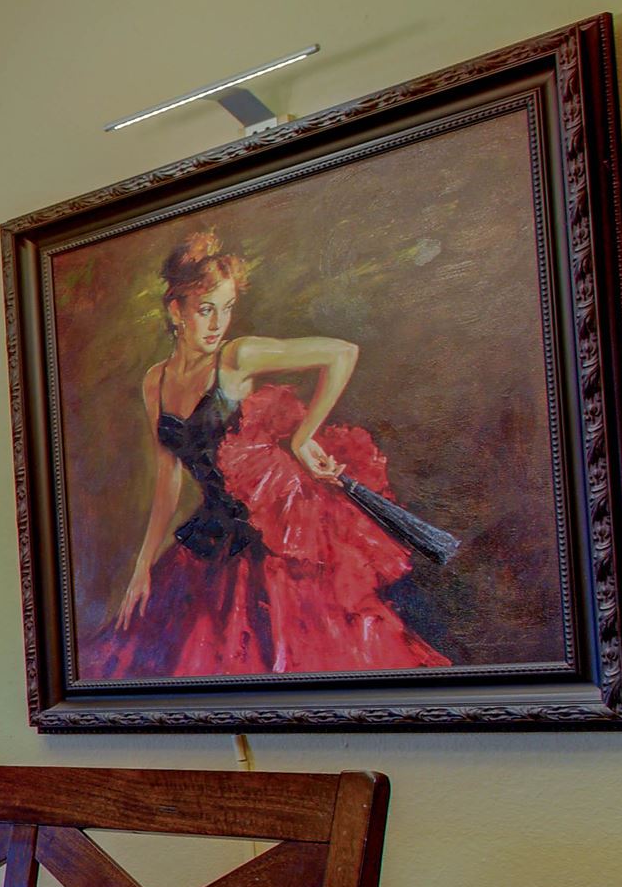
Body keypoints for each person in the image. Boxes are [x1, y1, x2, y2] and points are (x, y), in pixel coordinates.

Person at [88, 227, 447, 680]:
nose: (219, 324)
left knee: (297, 647)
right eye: (205, 310)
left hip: (271, 528)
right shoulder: (153, 382)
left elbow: (342, 353)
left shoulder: (237, 357)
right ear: (175, 310)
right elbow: (168, 477)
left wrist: (303, 437)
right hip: (215, 531)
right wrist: (142, 565)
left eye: (227, 308)